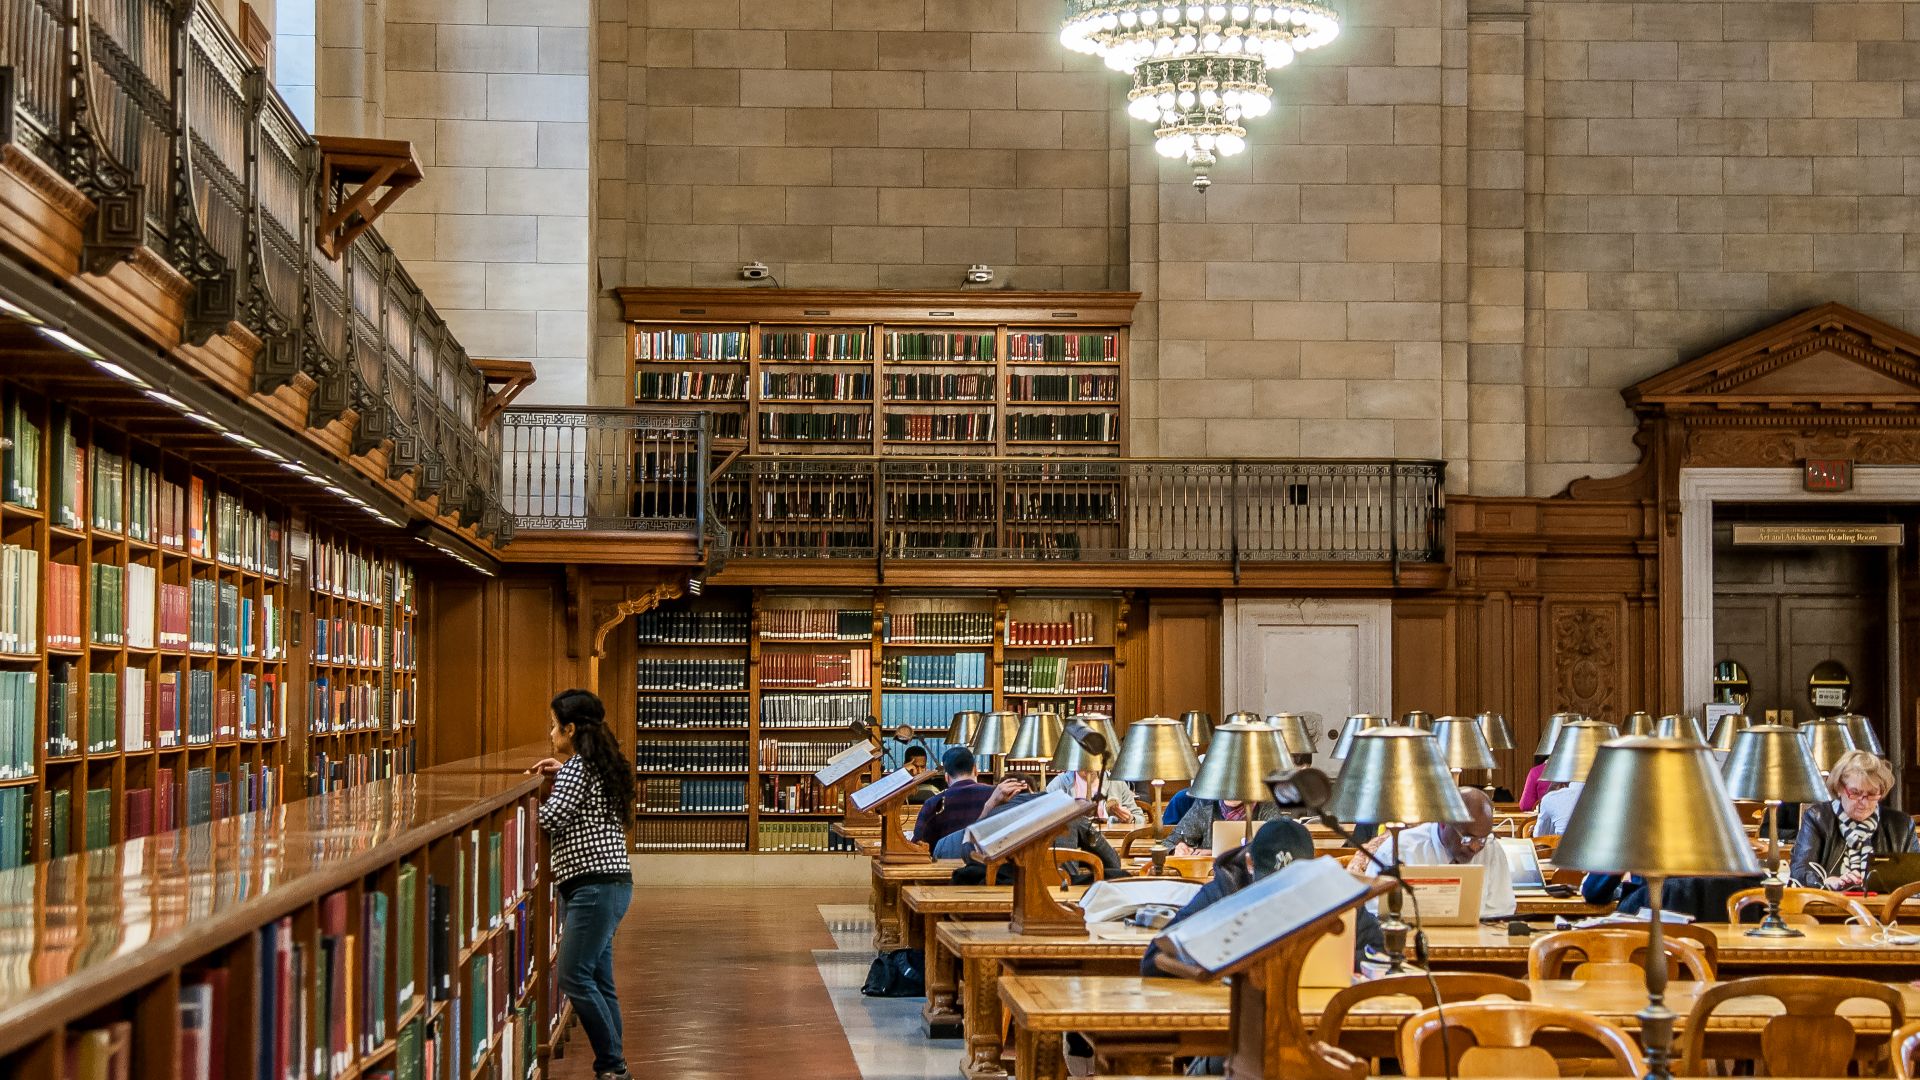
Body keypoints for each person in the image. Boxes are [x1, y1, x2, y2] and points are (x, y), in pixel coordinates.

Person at [530, 690, 636, 1080]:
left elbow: (550, 819)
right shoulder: (595, 765)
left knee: (573, 975)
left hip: (593, 889)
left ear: (570, 728)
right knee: (599, 978)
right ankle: (614, 1066)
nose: (551, 732)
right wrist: (562, 772)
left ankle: (613, 1065)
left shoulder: (579, 768)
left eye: (554, 724)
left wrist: (526, 805)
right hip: (612, 886)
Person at [1144, 819, 1383, 976]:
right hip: (1233, 1021)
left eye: (1294, 885)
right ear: (1249, 863)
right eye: (1271, 885)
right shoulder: (1225, 889)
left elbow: (1379, 953)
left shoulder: (1332, 892)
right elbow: (1152, 961)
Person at [1372, 787, 1515, 918]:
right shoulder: (1397, 850)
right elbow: (1373, 912)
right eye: (1468, 838)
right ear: (1443, 823)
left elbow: (1501, 911)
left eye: (1482, 839)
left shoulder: (1492, 849)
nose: (1475, 847)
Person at [1790, 749, 1919, 889]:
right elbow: (1799, 871)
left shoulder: (1902, 825)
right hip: (1830, 906)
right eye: (1855, 793)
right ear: (1839, 788)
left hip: (1888, 907)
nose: (1863, 802)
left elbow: (1915, 878)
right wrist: (1827, 881)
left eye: (1872, 793)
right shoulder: (1817, 818)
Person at [911, 746, 995, 847]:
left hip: (944, 861)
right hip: (987, 860)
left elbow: (918, 845)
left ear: (946, 777)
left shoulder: (932, 803)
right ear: (975, 769)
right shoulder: (995, 794)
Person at [1168, 796, 1282, 855]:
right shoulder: (1205, 805)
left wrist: (1215, 853)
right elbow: (1169, 843)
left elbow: (1279, 846)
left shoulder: (1267, 806)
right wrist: (1177, 849)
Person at [1044, 768, 1140, 823]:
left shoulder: (1115, 782)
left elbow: (1140, 818)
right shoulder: (1061, 783)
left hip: (1110, 842)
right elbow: (1040, 818)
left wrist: (1130, 818)